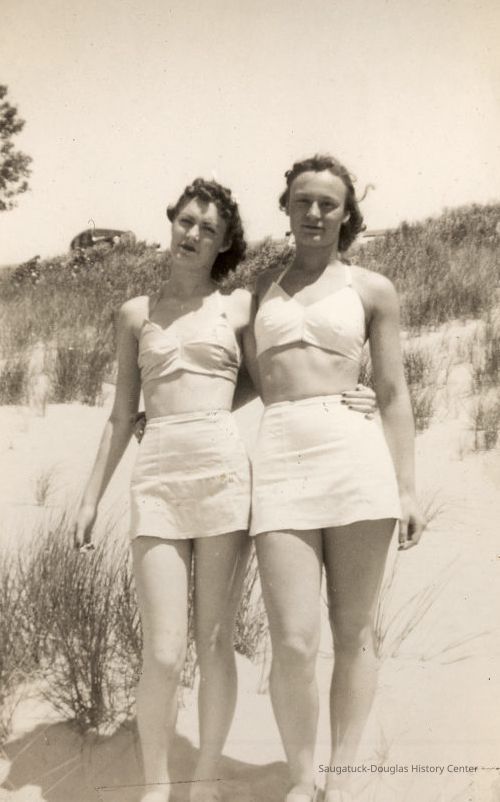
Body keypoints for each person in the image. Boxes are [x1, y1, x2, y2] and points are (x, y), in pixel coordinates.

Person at [73, 175, 377, 802]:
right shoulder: (134, 313)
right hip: (157, 479)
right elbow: (120, 416)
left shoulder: (238, 306)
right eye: (186, 221)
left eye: (208, 229)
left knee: (214, 642)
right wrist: (88, 498)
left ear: (222, 244)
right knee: (162, 651)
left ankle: (205, 779)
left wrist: (360, 390)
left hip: (223, 477)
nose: (193, 234)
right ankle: (156, 786)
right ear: (171, 224)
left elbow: (278, 376)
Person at [243, 155, 424, 802]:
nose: (315, 213)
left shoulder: (372, 289)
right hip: (280, 456)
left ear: (347, 214)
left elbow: (394, 392)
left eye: (328, 203)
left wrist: (406, 488)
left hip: (354, 457)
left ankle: (341, 780)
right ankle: (300, 779)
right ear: (286, 208)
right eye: (303, 201)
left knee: (353, 631)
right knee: (293, 640)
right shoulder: (256, 290)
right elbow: (243, 380)